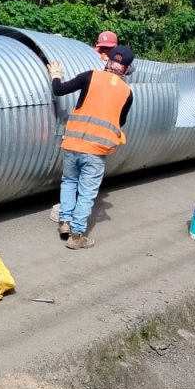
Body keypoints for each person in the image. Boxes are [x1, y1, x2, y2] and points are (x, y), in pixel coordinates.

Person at [48, 45, 135, 250]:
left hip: (73, 144)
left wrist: (56, 75)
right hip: (97, 151)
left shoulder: (89, 76)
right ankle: (77, 236)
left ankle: (65, 222)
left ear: (108, 61)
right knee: (86, 193)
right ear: (126, 69)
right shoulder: (127, 93)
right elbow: (119, 121)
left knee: (69, 182)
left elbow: (59, 90)